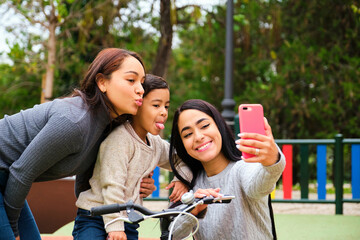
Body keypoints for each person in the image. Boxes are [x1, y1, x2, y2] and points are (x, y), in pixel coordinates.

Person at [0, 48, 157, 240]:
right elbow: (21, 172)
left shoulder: (106, 129)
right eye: (131, 80)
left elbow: (87, 187)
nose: (141, 89)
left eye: (142, 82)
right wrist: (14, 232)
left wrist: (136, 186)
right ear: (102, 82)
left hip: (8, 179)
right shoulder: (75, 122)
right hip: (10, 175)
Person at [73, 74, 191, 240]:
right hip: (96, 215)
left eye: (166, 106)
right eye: (156, 105)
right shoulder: (120, 140)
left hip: (128, 219)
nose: (163, 112)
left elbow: (183, 160)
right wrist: (115, 227)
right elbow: (112, 185)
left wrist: (182, 178)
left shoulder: (155, 143)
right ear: (138, 105)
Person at [167, 99, 286, 240]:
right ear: (183, 144)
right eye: (187, 134)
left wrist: (272, 159)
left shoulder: (244, 167)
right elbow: (171, 234)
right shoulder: (189, 185)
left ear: (219, 126)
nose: (198, 137)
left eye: (204, 126)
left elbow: (260, 185)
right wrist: (192, 211)